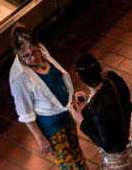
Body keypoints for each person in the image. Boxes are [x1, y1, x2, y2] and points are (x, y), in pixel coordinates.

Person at [9, 27, 87, 170]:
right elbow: (25, 113)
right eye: (26, 56)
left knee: (77, 152)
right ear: (18, 54)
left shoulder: (42, 53)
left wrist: (72, 96)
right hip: (51, 125)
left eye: (34, 51)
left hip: (67, 114)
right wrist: (40, 138)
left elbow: (58, 79)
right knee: (67, 165)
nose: (32, 58)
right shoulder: (19, 77)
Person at [71, 53, 132, 169]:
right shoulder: (112, 78)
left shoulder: (94, 111)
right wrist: (89, 100)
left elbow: (105, 143)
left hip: (119, 156)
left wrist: (82, 123)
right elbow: (122, 98)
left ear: (78, 76)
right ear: (100, 67)